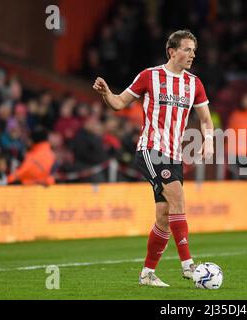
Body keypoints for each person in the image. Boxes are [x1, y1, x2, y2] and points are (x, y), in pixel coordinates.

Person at [93, 30, 214, 287]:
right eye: (187, 49)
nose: (192, 54)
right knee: (177, 196)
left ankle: (147, 273)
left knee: (164, 215)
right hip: (151, 149)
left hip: (174, 155)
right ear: (172, 51)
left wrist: (209, 141)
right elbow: (118, 103)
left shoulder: (194, 83)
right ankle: (188, 266)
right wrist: (106, 93)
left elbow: (205, 120)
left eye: (194, 50)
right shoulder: (149, 76)